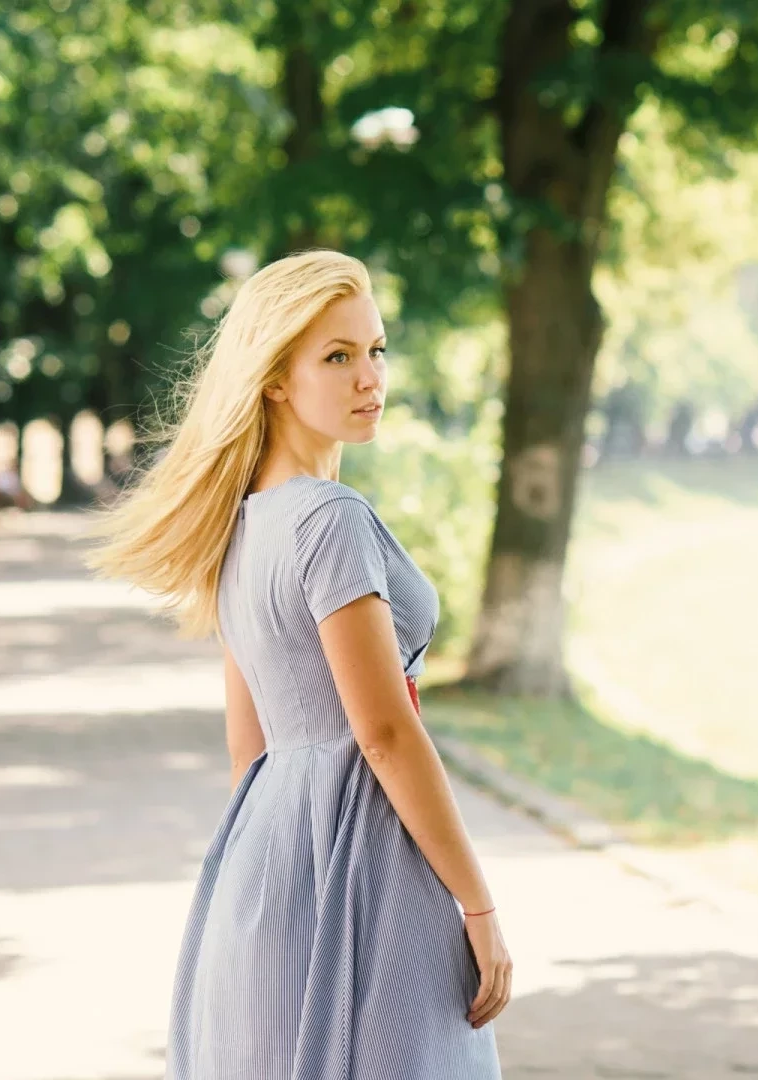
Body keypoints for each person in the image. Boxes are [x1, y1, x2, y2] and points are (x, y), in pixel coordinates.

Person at [87, 250, 507, 1079]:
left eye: (376, 351)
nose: (369, 378)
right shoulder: (332, 521)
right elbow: (383, 731)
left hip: (262, 869)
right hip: (367, 865)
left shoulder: (241, 529)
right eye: (338, 356)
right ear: (276, 379)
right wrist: (478, 901)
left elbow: (252, 749)